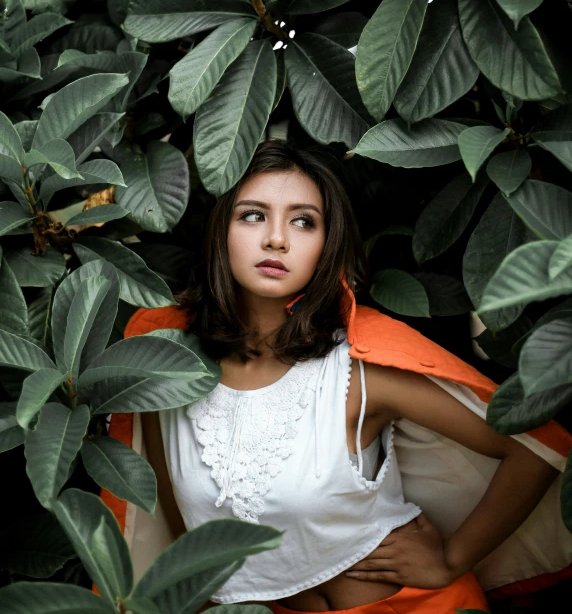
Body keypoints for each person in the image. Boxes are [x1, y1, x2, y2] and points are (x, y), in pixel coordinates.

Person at [107, 141, 572, 614]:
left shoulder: (359, 368)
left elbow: (532, 447)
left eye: (303, 221)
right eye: (252, 215)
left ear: (327, 246)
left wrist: (452, 559)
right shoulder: (167, 366)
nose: (276, 239)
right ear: (219, 230)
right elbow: (184, 541)